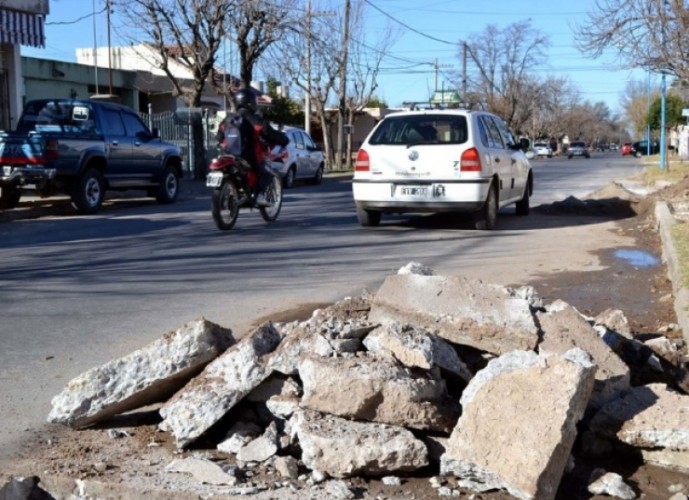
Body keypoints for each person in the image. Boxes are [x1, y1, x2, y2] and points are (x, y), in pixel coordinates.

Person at [216, 88, 289, 206]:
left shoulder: (228, 119)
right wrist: (284, 139)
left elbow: (219, 137)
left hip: (228, 155)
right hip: (248, 156)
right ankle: (259, 196)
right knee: (266, 173)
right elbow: (270, 134)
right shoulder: (255, 119)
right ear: (250, 102)